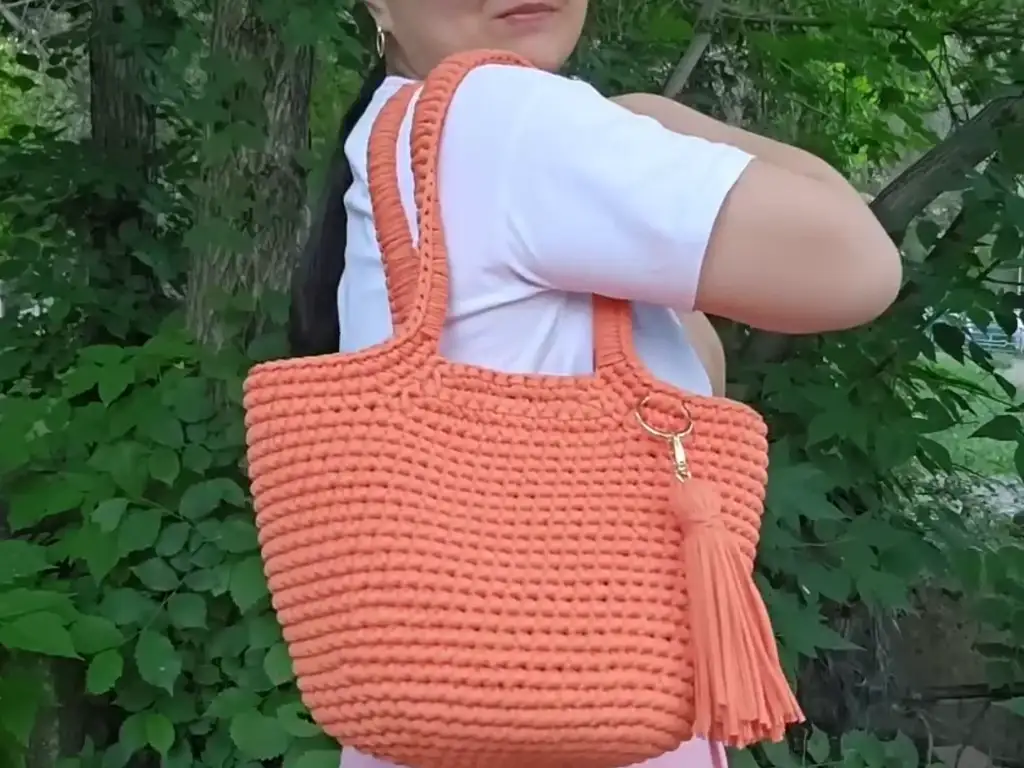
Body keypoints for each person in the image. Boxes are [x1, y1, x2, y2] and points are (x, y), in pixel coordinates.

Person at [288, 2, 903, 767]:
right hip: (580, 731)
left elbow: (691, 370)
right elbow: (859, 265)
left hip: (443, 724)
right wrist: (658, 116)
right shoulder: (502, 113)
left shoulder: (399, 130)